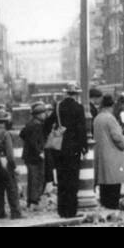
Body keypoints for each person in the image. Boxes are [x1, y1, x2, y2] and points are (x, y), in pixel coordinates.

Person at [44, 83, 88, 218]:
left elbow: (46, 124)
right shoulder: (78, 108)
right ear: (76, 95)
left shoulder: (58, 106)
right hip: (73, 149)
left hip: (59, 148)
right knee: (72, 180)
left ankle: (62, 210)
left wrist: (53, 134)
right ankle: (71, 210)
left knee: (62, 180)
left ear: (66, 93)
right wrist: (83, 146)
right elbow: (81, 129)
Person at [92, 94, 124, 209]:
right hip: (113, 154)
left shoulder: (97, 118)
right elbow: (116, 136)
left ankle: (105, 203)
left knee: (104, 181)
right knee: (114, 182)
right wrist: (122, 145)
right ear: (111, 106)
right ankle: (112, 205)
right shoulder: (110, 118)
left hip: (101, 153)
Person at [0, 105, 23, 220]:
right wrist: (13, 166)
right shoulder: (6, 134)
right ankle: (16, 213)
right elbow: (10, 154)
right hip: (5, 163)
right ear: (5, 121)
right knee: (11, 188)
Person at [19, 102, 49, 207]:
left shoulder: (30, 124)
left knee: (33, 178)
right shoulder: (37, 125)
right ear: (39, 114)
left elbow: (22, 134)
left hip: (29, 155)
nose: (45, 115)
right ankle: (33, 200)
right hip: (35, 156)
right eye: (44, 113)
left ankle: (32, 199)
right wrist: (39, 152)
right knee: (37, 177)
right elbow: (33, 141)